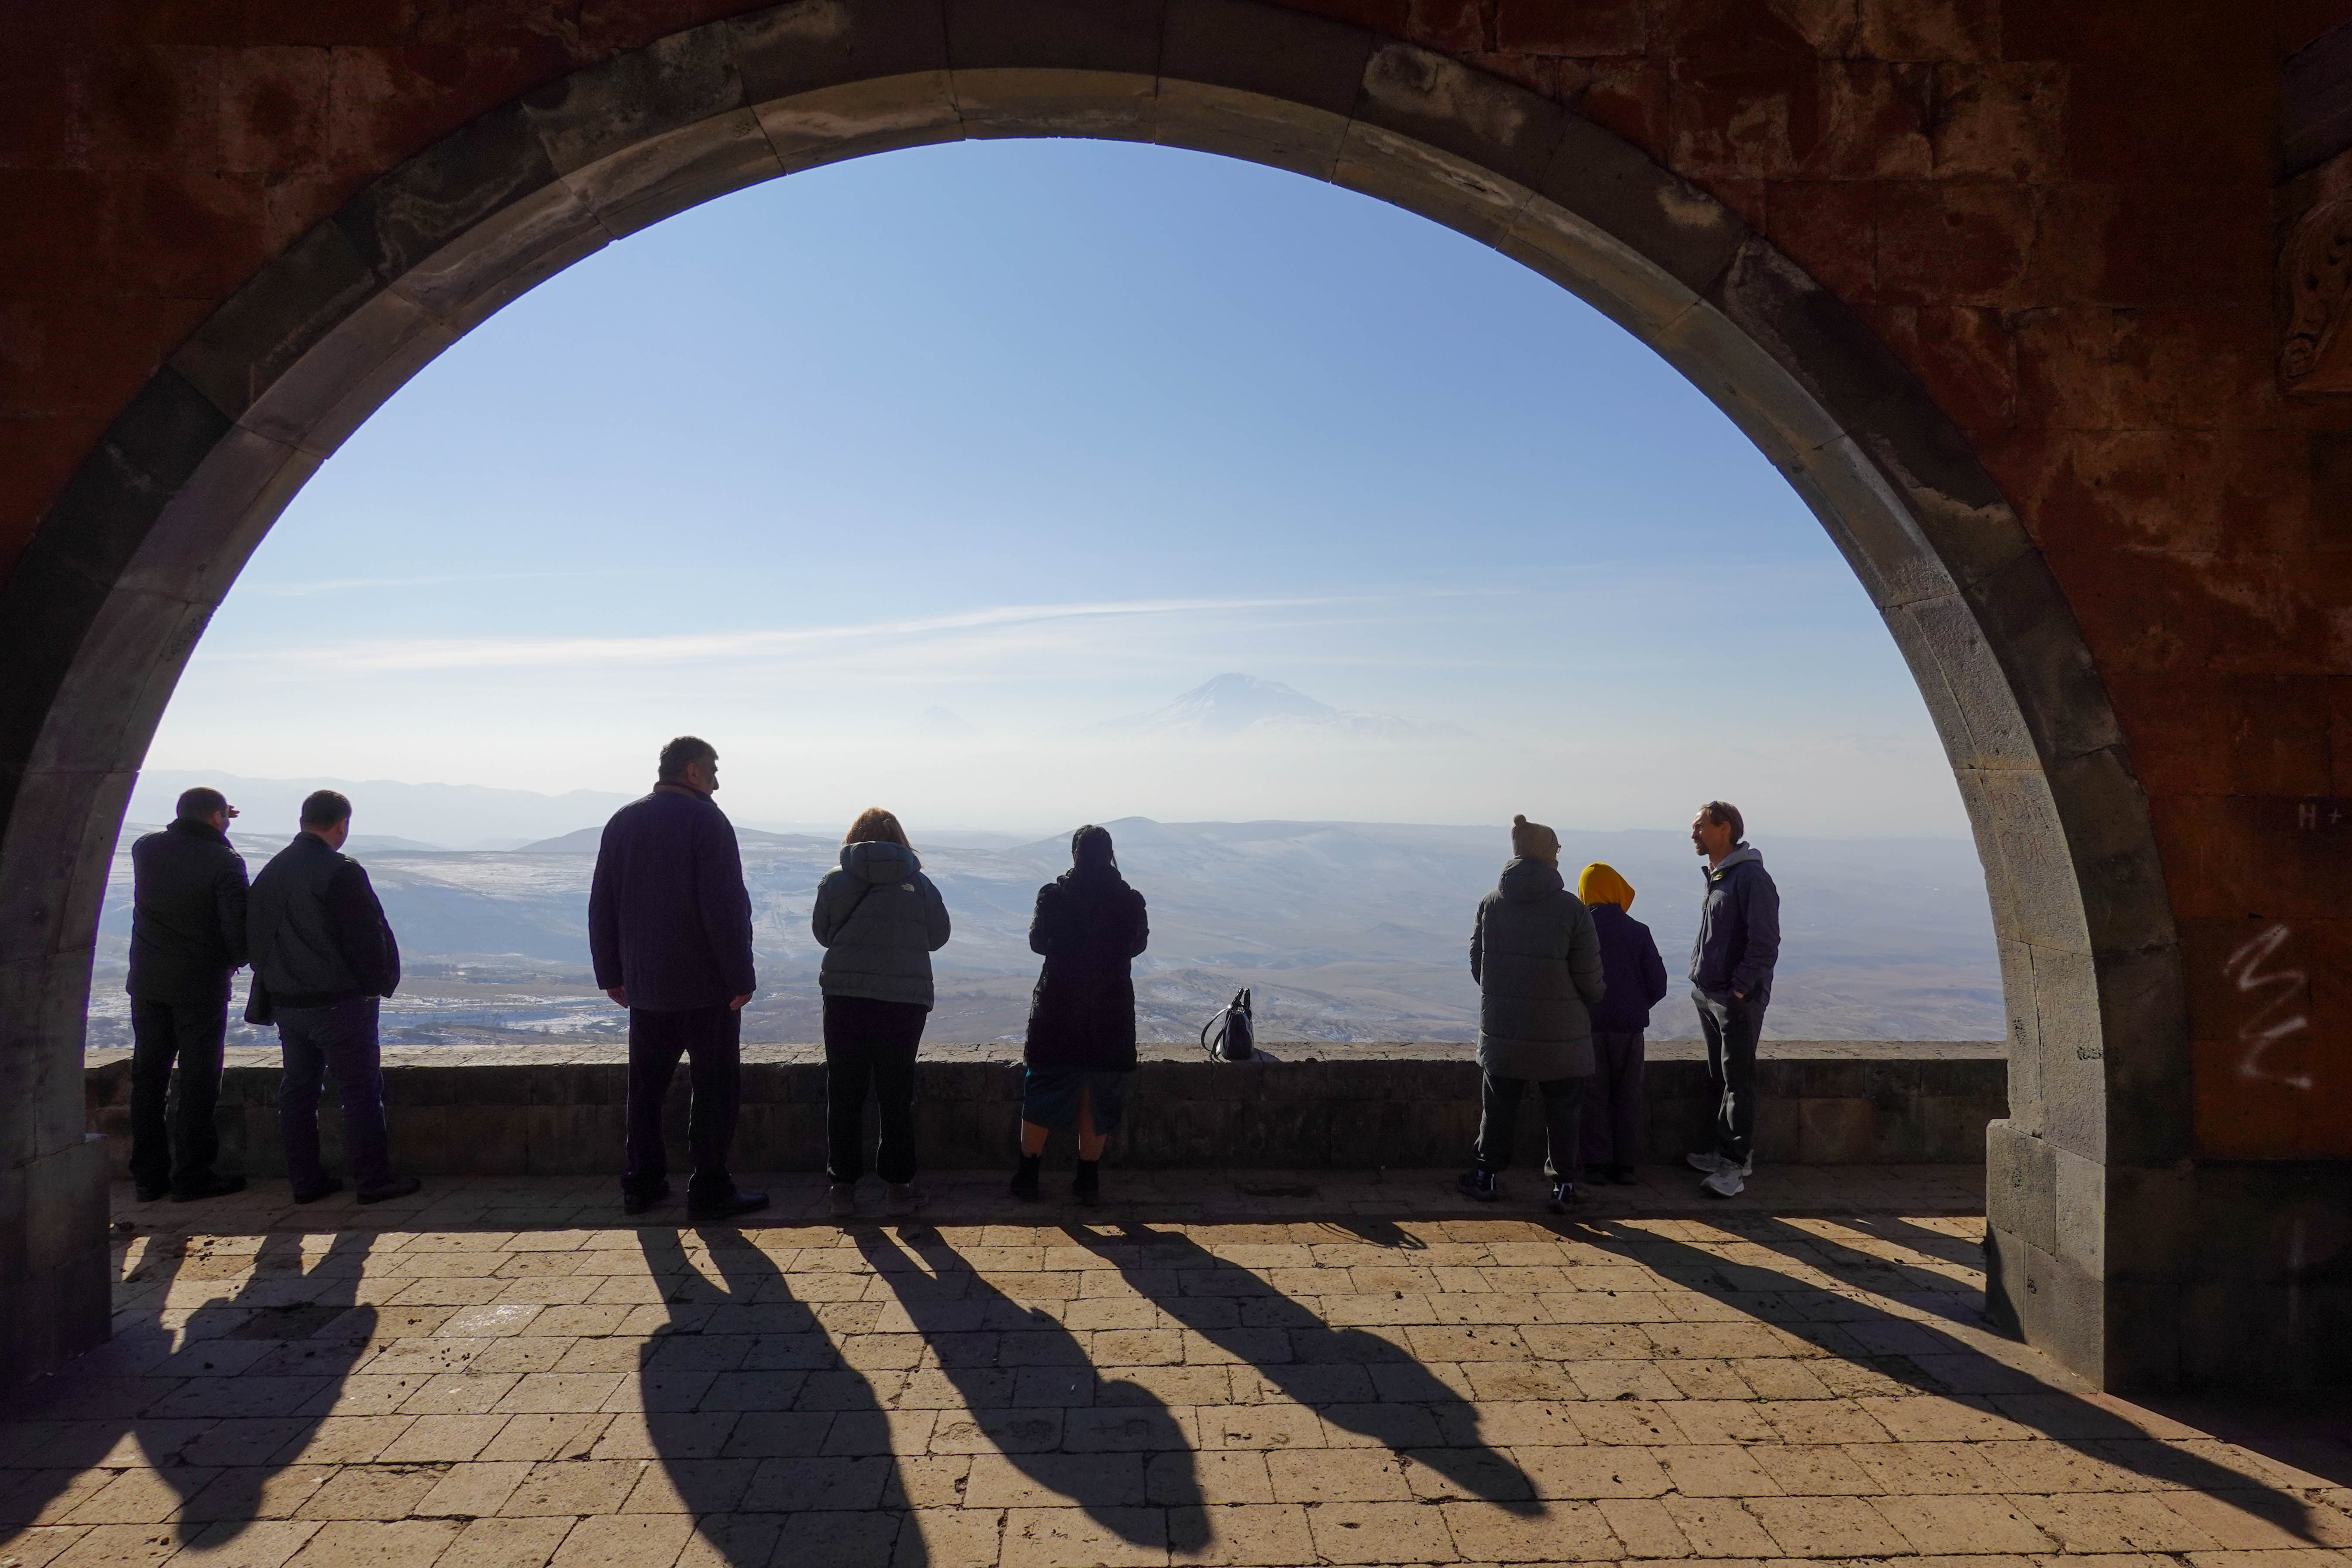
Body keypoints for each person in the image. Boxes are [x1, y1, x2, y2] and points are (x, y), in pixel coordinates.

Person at [589, 736, 765, 1221]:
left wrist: (612, 973)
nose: (716, 779)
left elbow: (602, 902)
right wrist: (740, 976)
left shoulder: (623, 820)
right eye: (712, 768)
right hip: (706, 988)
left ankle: (641, 1185)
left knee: (645, 1092)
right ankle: (709, 1187)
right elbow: (725, 907)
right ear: (691, 771)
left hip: (645, 986)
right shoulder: (707, 820)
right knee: (713, 1089)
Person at [247, 789, 419, 1205]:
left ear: (304, 819)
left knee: (299, 1091)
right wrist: (375, 984)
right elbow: (365, 936)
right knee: (360, 1090)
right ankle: (373, 1180)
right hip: (340, 1002)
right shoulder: (339, 870)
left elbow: (253, 936)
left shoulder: (271, 870)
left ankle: (306, 1182)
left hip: (288, 1002)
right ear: (342, 824)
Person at [1459, 814, 1604, 1212]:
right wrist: (1581, 1005)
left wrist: (1507, 995)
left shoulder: (1491, 903)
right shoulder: (1572, 909)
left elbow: (1478, 964)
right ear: (1547, 855)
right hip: (1563, 1032)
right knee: (1563, 1112)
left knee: (1499, 1106)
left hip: (1504, 1027)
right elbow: (1590, 976)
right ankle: (1563, 1188)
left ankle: (1485, 1176)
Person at [812, 807, 951, 1219]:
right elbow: (938, 937)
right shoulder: (920, 884)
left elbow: (823, 933)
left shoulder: (835, 881)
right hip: (903, 1000)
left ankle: (843, 1187)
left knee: (844, 1090)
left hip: (844, 996)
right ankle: (899, 1187)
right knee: (895, 1092)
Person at [125, 786, 252, 1202]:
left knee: (149, 1078)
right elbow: (236, 930)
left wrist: (214, 819)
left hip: (147, 983)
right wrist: (238, 959)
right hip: (199, 986)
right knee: (198, 1081)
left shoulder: (145, 849)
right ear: (217, 817)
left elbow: (180, 840)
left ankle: (148, 1176)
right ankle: (193, 1174)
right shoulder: (225, 861)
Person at [1012, 824, 1148, 1204]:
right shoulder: (1130, 900)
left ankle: (1028, 1174)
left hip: (1057, 1006)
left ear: (1074, 855)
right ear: (1109, 855)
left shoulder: (1054, 896)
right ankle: (1087, 1180)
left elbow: (1038, 941)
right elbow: (1137, 945)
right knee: (1098, 1093)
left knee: (1044, 1086)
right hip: (1110, 1007)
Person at [1686, 799, 1781, 1199]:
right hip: (1709, 993)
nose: (1693, 834)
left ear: (1724, 828)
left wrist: (1739, 988)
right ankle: (1722, 1150)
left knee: (1738, 1080)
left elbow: (1765, 941)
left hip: (1734, 998)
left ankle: (1735, 1163)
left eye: (1700, 826)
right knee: (1720, 1077)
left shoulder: (1751, 878)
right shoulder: (1720, 874)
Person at [1576, 861, 1668, 1187]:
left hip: (1589, 1026)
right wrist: (1635, 1006)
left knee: (1593, 1095)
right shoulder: (1638, 931)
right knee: (1628, 1096)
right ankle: (1625, 1166)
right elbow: (1658, 983)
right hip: (1630, 1030)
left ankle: (1596, 1165)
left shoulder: (1579, 929)